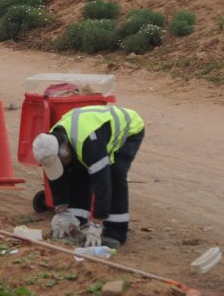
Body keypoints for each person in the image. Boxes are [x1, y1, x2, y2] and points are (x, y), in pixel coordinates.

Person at [32, 104, 145, 249]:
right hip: (91, 133)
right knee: (78, 170)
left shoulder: (89, 144)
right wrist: (62, 212)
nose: (61, 166)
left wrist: (97, 223)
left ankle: (115, 232)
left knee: (115, 174)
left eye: (60, 162)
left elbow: (103, 183)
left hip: (129, 128)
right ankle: (78, 221)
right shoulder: (53, 140)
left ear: (65, 149)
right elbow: (57, 179)